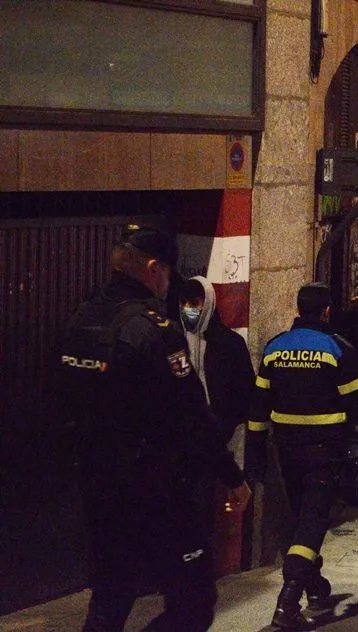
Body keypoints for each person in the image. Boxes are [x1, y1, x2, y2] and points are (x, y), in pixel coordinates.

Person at [59, 226, 250, 632]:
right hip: (153, 490)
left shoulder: (83, 318)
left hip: (97, 485)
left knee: (112, 593)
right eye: (167, 274)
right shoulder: (153, 330)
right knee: (195, 598)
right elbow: (191, 414)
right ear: (153, 268)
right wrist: (231, 476)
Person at [245, 282, 358, 630]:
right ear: (327, 311)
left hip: (286, 453)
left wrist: (254, 460)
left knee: (301, 520)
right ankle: (287, 604)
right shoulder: (338, 348)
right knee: (312, 524)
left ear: (299, 309)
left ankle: (314, 586)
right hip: (325, 453)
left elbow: (257, 411)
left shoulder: (275, 348)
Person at [179, 276, 255, 446]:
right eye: (183, 303)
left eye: (194, 304)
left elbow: (245, 392)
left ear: (207, 303)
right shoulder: (176, 341)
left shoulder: (230, 343)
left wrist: (225, 425)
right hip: (185, 436)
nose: (187, 309)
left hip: (222, 437)